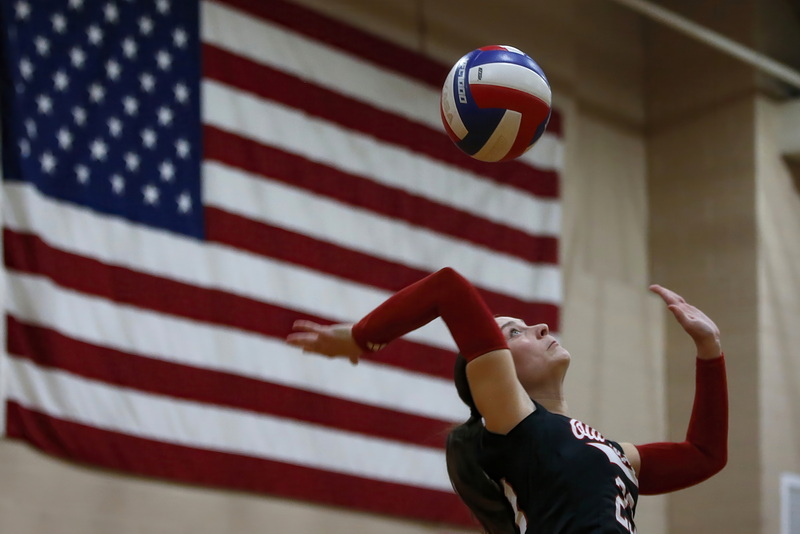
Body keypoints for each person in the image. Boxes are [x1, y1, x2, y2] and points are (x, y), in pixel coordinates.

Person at [286, 267, 727, 533]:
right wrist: (364, 338)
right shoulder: (514, 423)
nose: (538, 327)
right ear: (493, 374)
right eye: (512, 333)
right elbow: (447, 288)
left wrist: (710, 350)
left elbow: (704, 455)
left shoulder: (611, 452)